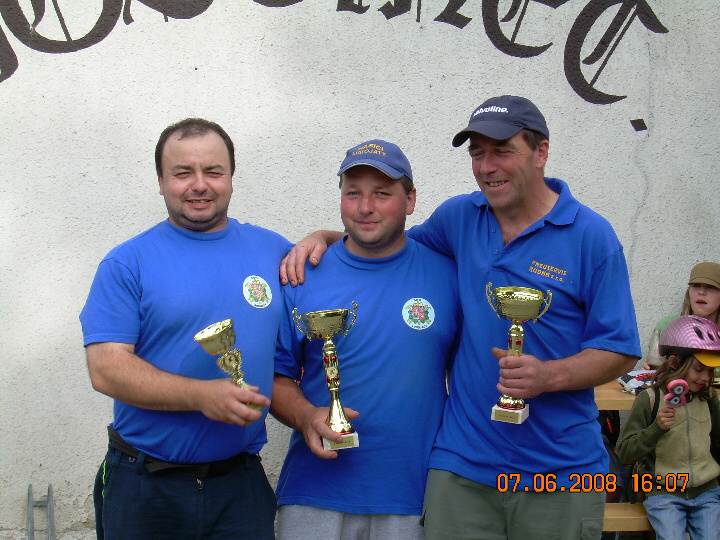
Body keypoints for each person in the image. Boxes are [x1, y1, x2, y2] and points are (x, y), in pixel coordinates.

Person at [279, 95, 641, 539]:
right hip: (462, 467)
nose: (487, 166)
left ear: (541, 152)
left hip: (560, 469)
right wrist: (324, 237)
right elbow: (388, 240)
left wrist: (550, 376)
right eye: (477, 153)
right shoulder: (460, 218)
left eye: (502, 151)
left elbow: (620, 349)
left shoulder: (591, 237)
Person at [80, 118, 290, 539]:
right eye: (182, 173)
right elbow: (106, 369)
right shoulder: (127, 263)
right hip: (145, 487)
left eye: (213, 171)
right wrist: (200, 396)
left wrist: (324, 237)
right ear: (161, 182)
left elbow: (344, 262)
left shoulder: (274, 251)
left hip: (239, 486)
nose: (200, 185)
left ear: (231, 177)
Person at [270, 139, 460, 540]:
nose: (365, 207)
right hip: (313, 495)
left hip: (413, 498)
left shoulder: (448, 275)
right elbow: (276, 377)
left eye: (382, 194)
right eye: (353, 193)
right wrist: (306, 416)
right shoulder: (302, 273)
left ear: (410, 200)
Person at [616, 315, 720, 539]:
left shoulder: (709, 399)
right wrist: (656, 429)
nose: (705, 377)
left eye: (710, 371)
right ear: (675, 362)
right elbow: (624, 452)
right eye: (699, 369)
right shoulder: (650, 399)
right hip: (664, 493)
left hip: (706, 492)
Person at [642, 261, 720, 369]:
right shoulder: (668, 326)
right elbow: (655, 366)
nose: (701, 292)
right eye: (696, 285)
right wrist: (651, 370)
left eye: (710, 287)